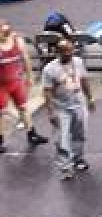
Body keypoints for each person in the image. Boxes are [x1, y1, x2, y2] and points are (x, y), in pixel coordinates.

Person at [41, 37, 91, 180]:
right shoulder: (49, 69)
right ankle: (65, 168)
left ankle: (78, 159)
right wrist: (51, 112)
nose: (69, 53)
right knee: (61, 139)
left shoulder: (79, 62)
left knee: (80, 134)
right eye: (65, 51)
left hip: (79, 104)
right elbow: (47, 91)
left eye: (70, 50)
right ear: (58, 52)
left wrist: (90, 98)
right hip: (61, 108)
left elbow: (84, 80)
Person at [0, 20, 47, 153]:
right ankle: (0, 140)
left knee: (23, 108)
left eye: (6, 31)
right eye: (3, 32)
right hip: (1, 86)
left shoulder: (17, 41)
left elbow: (26, 58)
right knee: (1, 113)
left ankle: (32, 134)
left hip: (16, 82)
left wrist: (30, 76)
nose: (5, 34)